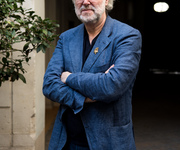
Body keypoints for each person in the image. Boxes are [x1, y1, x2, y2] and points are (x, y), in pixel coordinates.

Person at [43, 0, 142, 149]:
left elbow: (111, 86)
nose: (85, 2)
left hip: (109, 142)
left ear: (107, 1)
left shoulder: (127, 36)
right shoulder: (66, 38)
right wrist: (84, 99)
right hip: (67, 141)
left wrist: (68, 77)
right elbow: (49, 85)